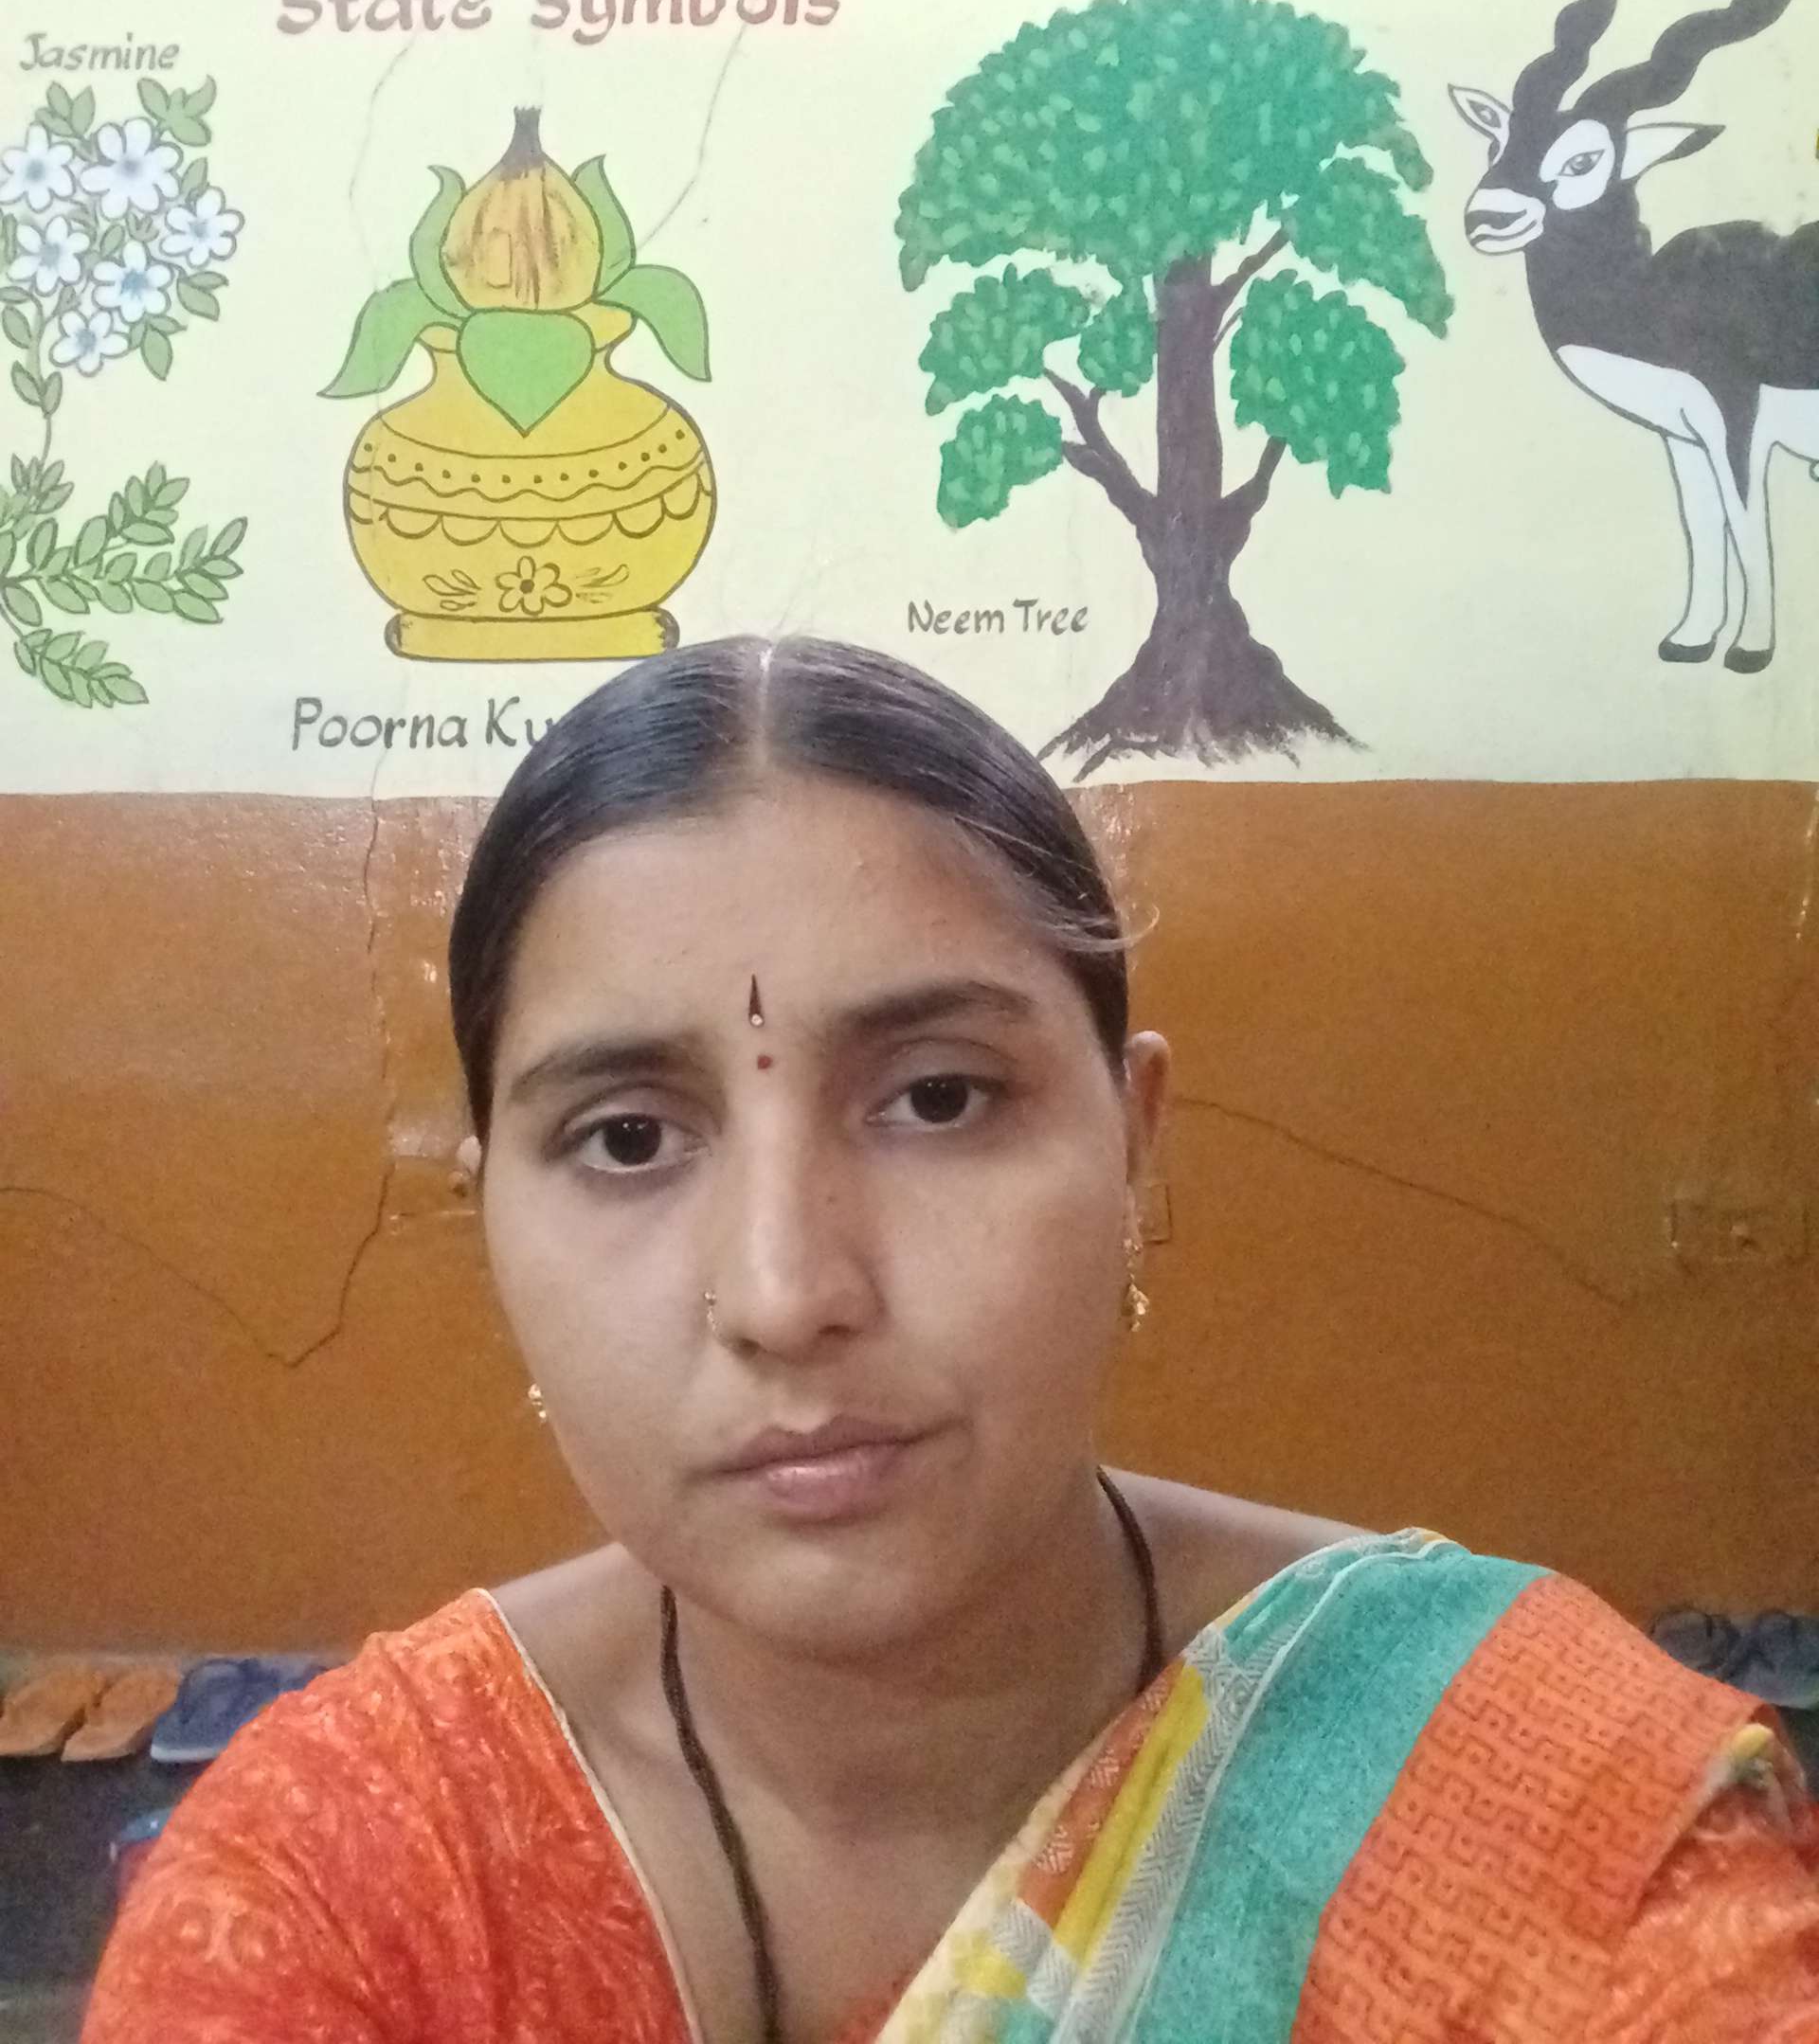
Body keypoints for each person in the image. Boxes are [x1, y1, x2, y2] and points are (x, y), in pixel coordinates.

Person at [84, 637, 1819, 2043]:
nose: (788, 1293)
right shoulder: (350, 1891)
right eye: (627, 1137)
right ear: (490, 1220)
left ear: (1135, 1145)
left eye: (936, 1099)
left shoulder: (1544, 1825)